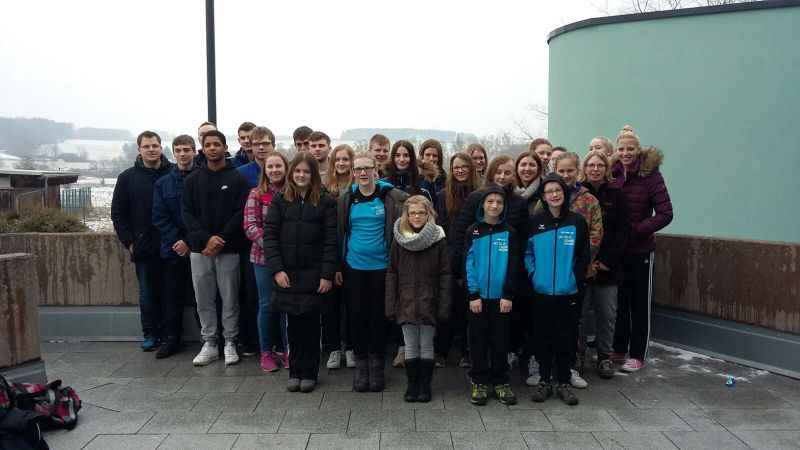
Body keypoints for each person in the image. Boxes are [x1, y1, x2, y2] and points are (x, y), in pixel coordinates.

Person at [263, 152, 338, 393]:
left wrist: (327, 274)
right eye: (297, 171)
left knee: (312, 326)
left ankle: (310, 372)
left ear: (313, 174)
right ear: (291, 173)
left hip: (314, 276)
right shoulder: (280, 200)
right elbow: (270, 237)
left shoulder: (325, 201)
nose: (301, 175)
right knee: (292, 326)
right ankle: (295, 371)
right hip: (288, 274)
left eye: (306, 171)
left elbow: (331, 241)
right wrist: (277, 270)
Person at [336, 152, 408, 392]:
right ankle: (361, 368)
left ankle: (377, 367)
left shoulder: (389, 196)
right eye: (358, 169)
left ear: (376, 171)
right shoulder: (347, 198)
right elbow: (339, 233)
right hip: (353, 266)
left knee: (378, 318)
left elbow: (414, 207)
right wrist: (337, 266)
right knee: (356, 318)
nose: (363, 173)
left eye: (368, 168)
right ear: (353, 173)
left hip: (382, 267)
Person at [453, 155, 529, 371]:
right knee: (474, 322)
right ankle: (471, 357)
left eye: (507, 172)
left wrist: (513, 282)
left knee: (502, 325)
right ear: (490, 173)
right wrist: (461, 274)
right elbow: (462, 238)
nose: (502, 176)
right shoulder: (476, 198)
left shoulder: (518, 202)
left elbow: (522, 241)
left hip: (504, 275)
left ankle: (502, 364)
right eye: (498, 172)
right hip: (477, 274)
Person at [182, 130, 250, 366]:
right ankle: (209, 342)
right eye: (207, 144)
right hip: (200, 251)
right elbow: (187, 214)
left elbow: (240, 213)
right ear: (202, 148)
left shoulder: (237, 179)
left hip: (229, 249)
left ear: (224, 147)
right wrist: (206, 240)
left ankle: (230, 341)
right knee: (204, 300)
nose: (212, 148)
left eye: (216, 144)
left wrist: (219, 238)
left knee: (230, 298)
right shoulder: (192, 180)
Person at [611, 125, 673, 372]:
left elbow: (666, 213)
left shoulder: (651, 175)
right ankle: (618, 347)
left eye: (630, 149)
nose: (625, 153)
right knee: (620, 302)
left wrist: (637, 229)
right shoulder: (612, 173)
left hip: (640, 249)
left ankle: (638, 353)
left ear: (638, 150)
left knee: (639, 304)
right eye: (621, 149)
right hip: (617, 251)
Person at [542, 151, 603, 389]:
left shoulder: (588, 201)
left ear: (578, 171)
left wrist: (578, 260)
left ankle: (570, 368)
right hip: (549, 275)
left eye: (570, 171)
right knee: (547, 324)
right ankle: (545, 368)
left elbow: (596, 234)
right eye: (561, 170)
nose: (566, 175)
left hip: (577, 273)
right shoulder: (546, 198)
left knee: (574, 322)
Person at [527, 174, 590, 406]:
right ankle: (544, 380)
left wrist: (575, 278)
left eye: (558, 190)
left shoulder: (576, 222)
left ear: (565, 193)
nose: (554, 194)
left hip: (568, 292)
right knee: (543, 337)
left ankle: (563, 382)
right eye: (549, 191)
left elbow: (584, 256)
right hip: (541, 291)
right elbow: (528, 253)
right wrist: (534, 275)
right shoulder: (535, 222)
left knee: (566, 338)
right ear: (543, 196)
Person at [111, 130, 173, 351]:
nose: (151, 149)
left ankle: (169, 334)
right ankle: (150, 333)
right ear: (139, 149)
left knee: (170, 292)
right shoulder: (127, 178)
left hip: (171, 243)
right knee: (147, 292)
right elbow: (118, 213)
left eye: (155, 145)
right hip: (143, 245)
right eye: (146, 146)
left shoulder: (173, 172)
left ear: (160, 147)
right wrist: (129, 242)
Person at [386, 195, 451, 403]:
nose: (416, 216)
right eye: (412, 213)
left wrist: (444, 306)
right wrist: (391, 304)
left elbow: (445, 275)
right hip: (406, 302)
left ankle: (425, 385)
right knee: (410, 344)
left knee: (427, 343)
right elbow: (392, 274)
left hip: (429, 300)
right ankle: (412, 384)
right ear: (406, 215)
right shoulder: (399, 240)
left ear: (428, 214)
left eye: (421, 213)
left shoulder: (438, 240)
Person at [464, 186, 521, 406]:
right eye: (490, 202)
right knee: (477, 342)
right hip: (478, 299)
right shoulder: (473, 231)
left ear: (504, 206)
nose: (494, 205)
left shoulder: (509, 232)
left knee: (501, 341)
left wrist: (508, 294)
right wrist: (473, 294)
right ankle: (479, 381)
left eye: (499, 202)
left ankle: (500, 381)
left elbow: (514, 265)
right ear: (482, 205)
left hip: (501, 300)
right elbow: (468, 263)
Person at [580, 150, 629, 379]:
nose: (595, 169)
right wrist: (587, 261)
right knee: (579, 313)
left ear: (606, 169)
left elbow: (622, 231)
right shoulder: (578, 194)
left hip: (609, 266)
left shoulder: (617, 194)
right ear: (585, 167)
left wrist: (607, 260)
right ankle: (578, 353)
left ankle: (604, 356)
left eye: (600, 165)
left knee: (607, 314)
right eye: (591, 165)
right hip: (582, 265)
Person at [243, 151, 291, 372]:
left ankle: (288, 350)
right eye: (270, 167)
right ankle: (266, 352)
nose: (274, 170)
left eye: (278, 166)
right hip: (262, 258)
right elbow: (250, 226)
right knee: (266, 305)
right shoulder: (256, 194)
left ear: (285, 167)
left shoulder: (292, 193)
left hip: (290, 258)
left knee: (287, 305)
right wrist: (272, 247)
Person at [434, 153, 480, 369]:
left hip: (474, 257)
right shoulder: (443, 194)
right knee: (448, 307)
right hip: (450, 256)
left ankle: (466, 352)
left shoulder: (480, 194)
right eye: (456, 167)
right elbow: (441, 226)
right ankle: (441, 352)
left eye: (464, 167)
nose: (460, 171)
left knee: (470, 308)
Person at [151, 134, 196, 359]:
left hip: (198, 247)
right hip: (172, 250)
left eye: (186, 149)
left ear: (194, 152)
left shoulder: (202, 178)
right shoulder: (163, 183)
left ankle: (210, 340)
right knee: (172, 297)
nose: (182, 154)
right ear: (173, 153)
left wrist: (189, 241)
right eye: (178, 150)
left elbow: (204, 215)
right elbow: (159, 217)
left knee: (204, 298)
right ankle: (172, 339)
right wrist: (178, 242)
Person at [237, 126, 276, 358]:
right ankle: (260, 345)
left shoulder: (288, 173)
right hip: (254, 248)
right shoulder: (242, 174)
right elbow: (244, 217)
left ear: (273, 145)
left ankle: (283, 345)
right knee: (258, 299)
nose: (261, 147)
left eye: (266, 143)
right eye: (256, 143)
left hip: (286, 251)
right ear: (249, 146)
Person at [322, 144, 356, 370]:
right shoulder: (326, 188)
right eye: (338, 160)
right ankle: (335, 347)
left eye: (346, 159)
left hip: (353, 254)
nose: (341, 163)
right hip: (332, 252)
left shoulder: (359, 188)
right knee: (332, 305)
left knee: (352, 304)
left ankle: (351, 346)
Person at [515, 151, 544, 215]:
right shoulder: (508, 190)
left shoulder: (545, 191)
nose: (527, 169)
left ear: (538, 168)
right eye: (523, 165)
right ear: (517, 167)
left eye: (532, 165)